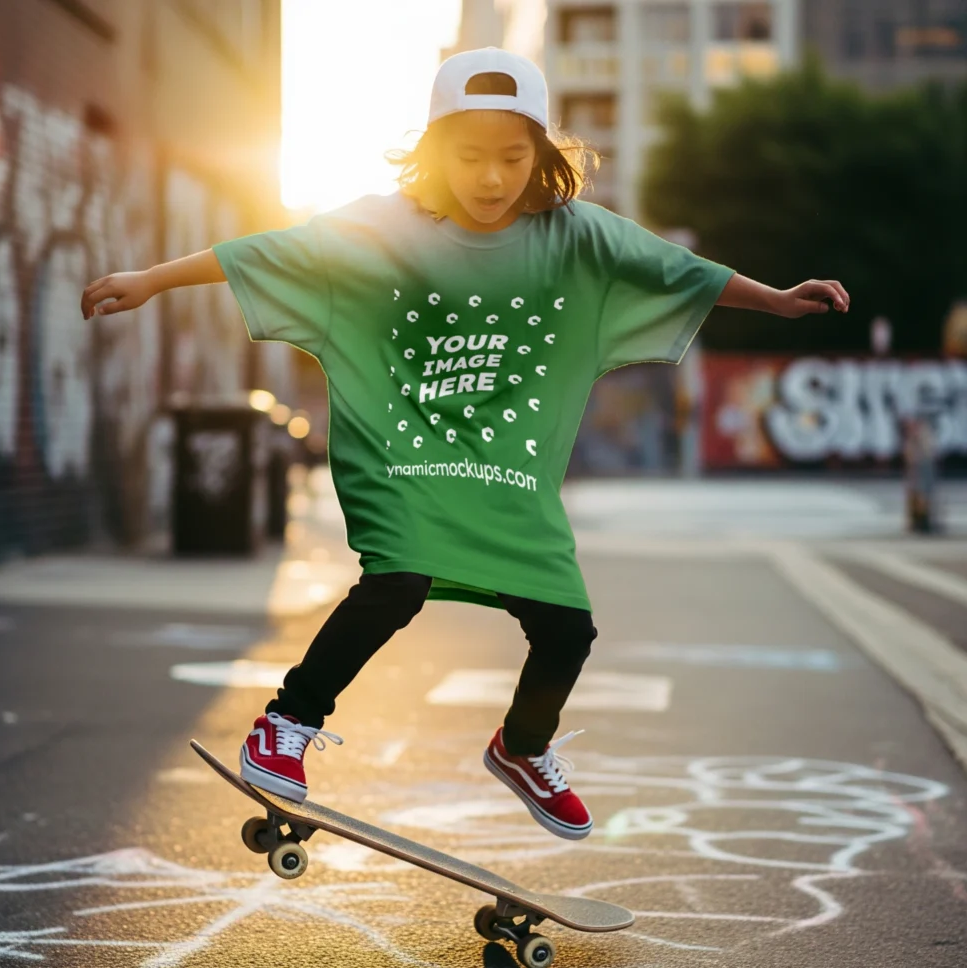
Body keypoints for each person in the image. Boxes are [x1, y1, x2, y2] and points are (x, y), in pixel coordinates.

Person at [80, 48, 849, 841]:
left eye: (513, 157)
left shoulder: (576, 234)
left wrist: (778, 301)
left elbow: (680, 271)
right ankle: (286, 723)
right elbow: (269, 251)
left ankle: (522, 748)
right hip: (403, 458)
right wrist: (151, 279)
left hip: (507, 477)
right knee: (398, 582)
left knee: (566, 630)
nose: (492, 177)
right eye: (470, 156)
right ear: (436, 151)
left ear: (542, 155)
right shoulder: (384, 225)